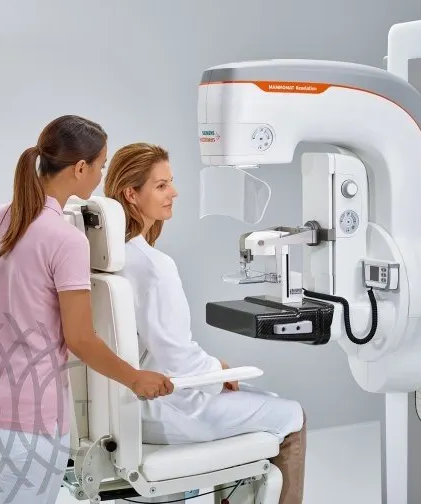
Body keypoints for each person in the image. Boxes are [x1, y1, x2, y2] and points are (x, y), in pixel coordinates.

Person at [0, 116, 174, 504]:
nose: (101, 176)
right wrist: (135, 378)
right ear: (80, 168)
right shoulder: (67, 241)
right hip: (30, 423)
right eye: (101, 166)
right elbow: (80, 339)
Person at [104, 142, 307, 504]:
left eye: (171, 182)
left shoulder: (106, 258)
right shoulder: (153, 267)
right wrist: (218, 370)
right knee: (291, 415)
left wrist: (215, 370)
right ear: (131, 194)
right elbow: (177, 357)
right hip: (161, 408)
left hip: (116, 408)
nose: (174, 192)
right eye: (161, 185)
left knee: (260, 399)